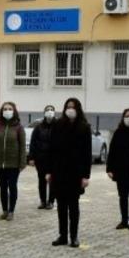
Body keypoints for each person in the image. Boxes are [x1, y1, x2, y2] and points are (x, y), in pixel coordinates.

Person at [48, 98, 92, 247]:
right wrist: (49, 171)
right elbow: (51, 149)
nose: (70, 110)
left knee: (73, 206)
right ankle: (62, 235)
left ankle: (74, 236)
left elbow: (87, 153)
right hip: (59, 171)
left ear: (78, 109)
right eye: (68, 107)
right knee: (61, 206)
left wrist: (86, 176)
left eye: (73, 107)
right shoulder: (58, 125)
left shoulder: (84, 127)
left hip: (76, 173)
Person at [0, 101, 27, 220]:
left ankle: (11, 211)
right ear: (1, 111)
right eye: (5, 109)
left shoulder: (18, 127)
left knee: (12, 186)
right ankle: (4, 211)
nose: (7, 111)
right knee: (2, 187)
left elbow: (22, 146)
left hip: (13, 164)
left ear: (14, 111)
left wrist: (22, 162)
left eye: (10, 109)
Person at [29, 105, 57, 209]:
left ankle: (51, 201)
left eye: (51, 110)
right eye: (47, 110)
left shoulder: (58, 126)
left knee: (52, 180)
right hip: (41, 158)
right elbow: (33, 143)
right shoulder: (39, 127)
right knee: (41, 181)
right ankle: (43, 201)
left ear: (54, 112)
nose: (49, 112)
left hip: (54, 159)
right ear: (44, 112)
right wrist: (31, 157)